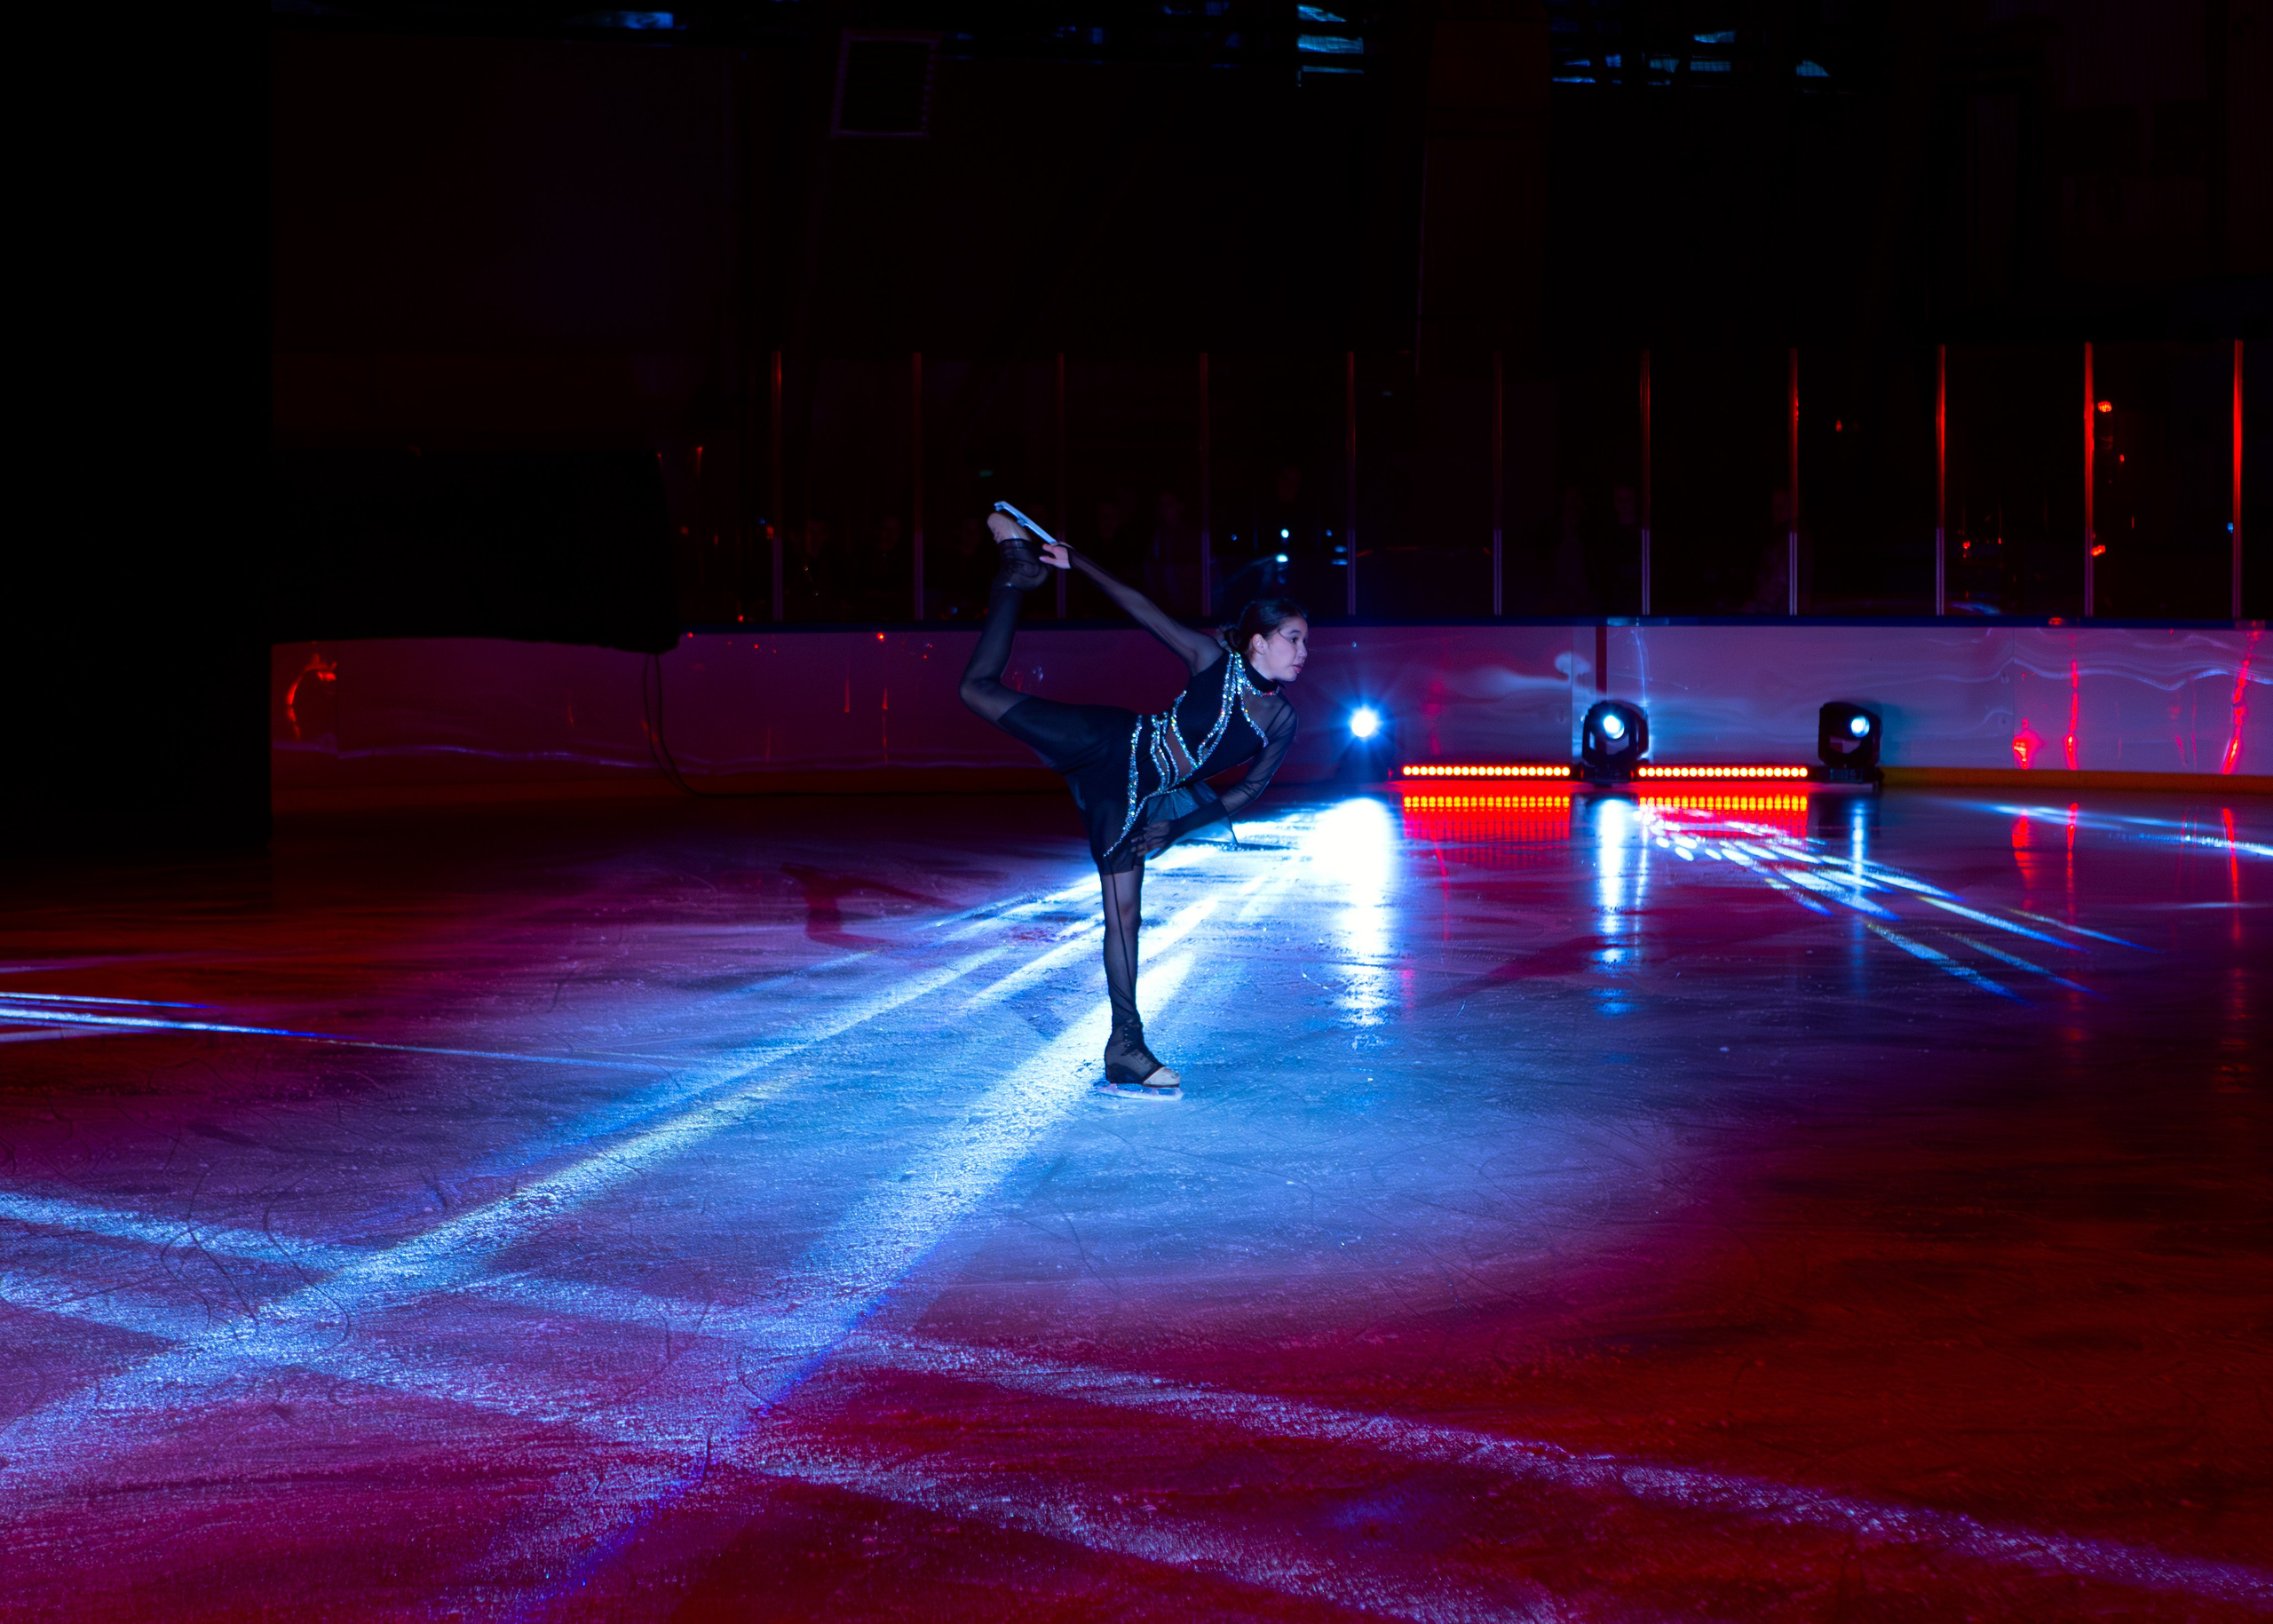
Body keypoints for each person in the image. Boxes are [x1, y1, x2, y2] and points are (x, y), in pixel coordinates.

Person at [959, 509, 1306, 1099]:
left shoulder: (1282, 721)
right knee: (976, 690)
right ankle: (1016, 574)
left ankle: (1126, 1046)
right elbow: (1144, 608)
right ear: (1259, 642)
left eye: (1305, 641)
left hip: (1137, 796)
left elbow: (1248, 790)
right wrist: (1078, 563)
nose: (1303, 652)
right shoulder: (1211, 660)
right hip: (1111, 740)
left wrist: (1177, 826)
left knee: (1124, 917)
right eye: (1293, 639)